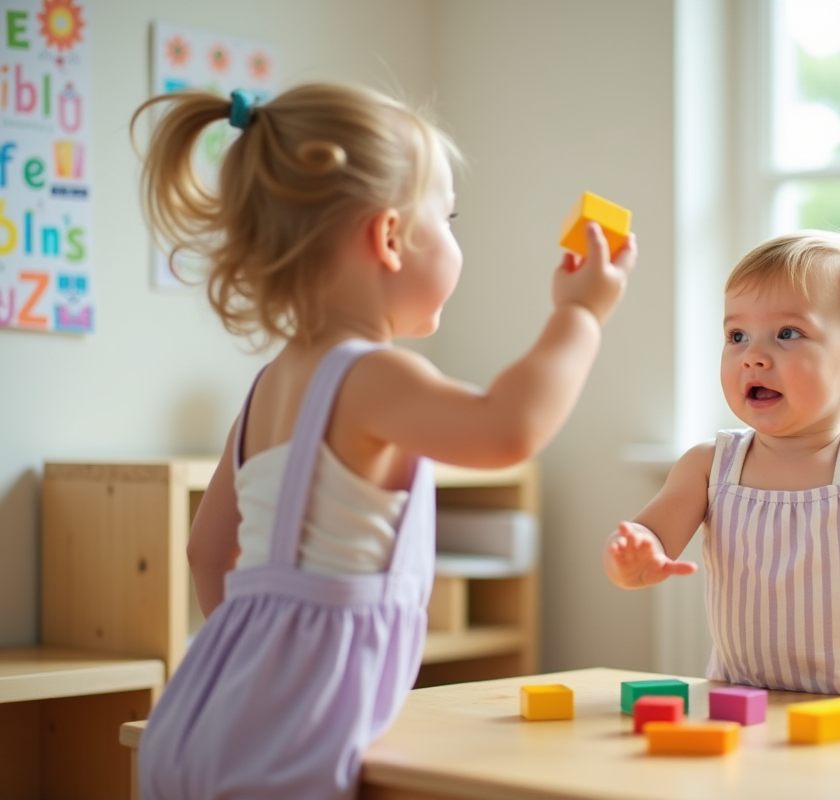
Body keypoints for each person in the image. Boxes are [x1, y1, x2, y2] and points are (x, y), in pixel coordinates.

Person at [132, 84, 636, 799]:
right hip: (280, 745)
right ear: (390, 237)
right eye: (448, 218)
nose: (456, 239)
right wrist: (580, 316)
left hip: (199, 716)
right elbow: (508, 428)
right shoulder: (370, 376)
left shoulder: (269, 385)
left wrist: (263, 660)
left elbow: (206, 552)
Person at [603, 220, 840, 718]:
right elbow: (651, 535)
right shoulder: (708, 466)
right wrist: (633, 558)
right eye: (737, 335)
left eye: (788, 333)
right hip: (746, 705)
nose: (753, 356)